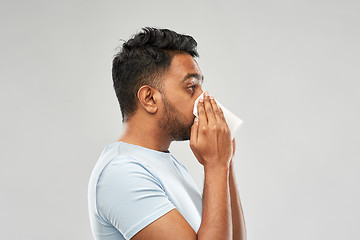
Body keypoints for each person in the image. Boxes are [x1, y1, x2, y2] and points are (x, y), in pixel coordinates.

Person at [88, 27, 247, 240]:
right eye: (191, 87)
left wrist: (225, 163)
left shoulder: (165, 164)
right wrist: (215, 165)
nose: (205, 98)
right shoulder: (122, 174)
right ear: (150, 98)